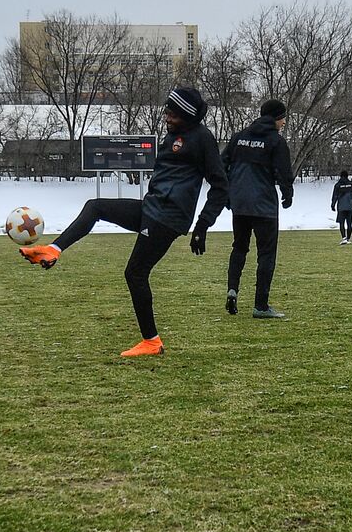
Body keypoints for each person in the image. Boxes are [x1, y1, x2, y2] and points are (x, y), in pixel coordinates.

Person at [19, 87, 225, 357]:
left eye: (172, 114)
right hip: (151, 209)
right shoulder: (172, 136)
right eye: (167, 111)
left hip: (168, 218)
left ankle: (151, 342)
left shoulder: (202, 139)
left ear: (186, 115)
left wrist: (202, 226)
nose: (166, 117)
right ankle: (53, 250)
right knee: (95, 206)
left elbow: (221, 186)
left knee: (135, 273)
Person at [195, 99, 295, 318]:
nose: (285, 122)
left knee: (239, 248)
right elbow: (284, 172)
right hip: (264, 206)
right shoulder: (275, 142)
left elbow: (222, 166)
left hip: (239, 204)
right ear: (276, 118)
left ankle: (232, 290)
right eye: (283, 117)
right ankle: (261, 306)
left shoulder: (239, 137)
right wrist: (287, 194)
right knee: (266, 254)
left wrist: (229, 194)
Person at [331, 170, 352, 244]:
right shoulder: (351, 184)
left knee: (342, 223)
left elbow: (335, 196)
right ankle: (348, 238)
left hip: (341, 207)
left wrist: (333, 205)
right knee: (349, 224)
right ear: (347, 176)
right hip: (350, 207)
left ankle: (344, 238)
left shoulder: (338, 185)